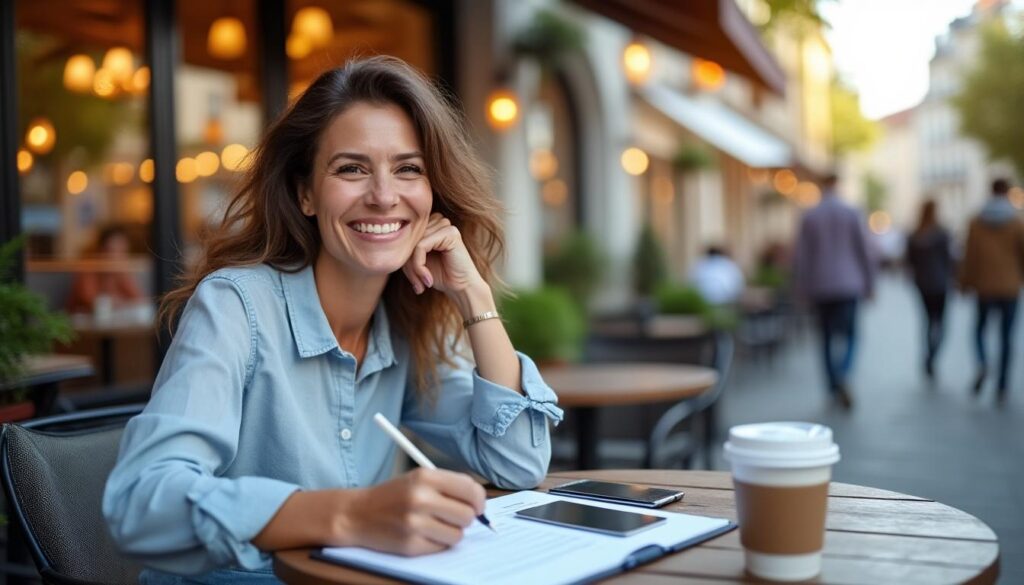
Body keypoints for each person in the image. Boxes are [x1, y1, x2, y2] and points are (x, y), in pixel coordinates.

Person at [102, 57, 564, 583]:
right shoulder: (236, 306)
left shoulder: (405, 322)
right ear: (306, 193)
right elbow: (141, 504)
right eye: (351, 169)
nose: (384, 196)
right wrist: (351, 515)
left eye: (408, 169)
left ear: (433, 192)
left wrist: (473, 296)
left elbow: (517, 463)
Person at [793, 174, 876, 409]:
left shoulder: (810, 215)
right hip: (849, 284)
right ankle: (843, 374)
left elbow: (801, 256)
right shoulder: (851, 213)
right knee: (850, 334)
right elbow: (864, 250)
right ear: (837, 185)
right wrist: (870, 283)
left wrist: (801, 287)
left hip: (820, 286)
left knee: (826, 338)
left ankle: (832, 384)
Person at [959, 178, 1024, 403]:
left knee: (979, 330)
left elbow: (969, 256)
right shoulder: (1016, 222)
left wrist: (964, 282)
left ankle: (983, 362)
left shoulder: (976, 221)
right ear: (1007, 192)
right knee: (1007, 337)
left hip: (984, 286)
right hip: (1009, 286)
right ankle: (1002, 386)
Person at [905, 199, 954, 379]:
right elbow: (949, 259)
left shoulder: (914, 235)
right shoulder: (942, 233)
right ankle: (932, 355)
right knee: (940, 323)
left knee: (928, 321)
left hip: (923, 283)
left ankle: (928, 354)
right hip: (940, 283)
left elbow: (909, 261)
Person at [65, 225, 143, 314]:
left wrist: (124, 276)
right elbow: (91, 302)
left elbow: (139, 301)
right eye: (112, 251)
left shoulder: (121, 273)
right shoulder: (88, 269)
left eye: (122, 251)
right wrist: (118, 301)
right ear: (100, 250)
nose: (116, 257)